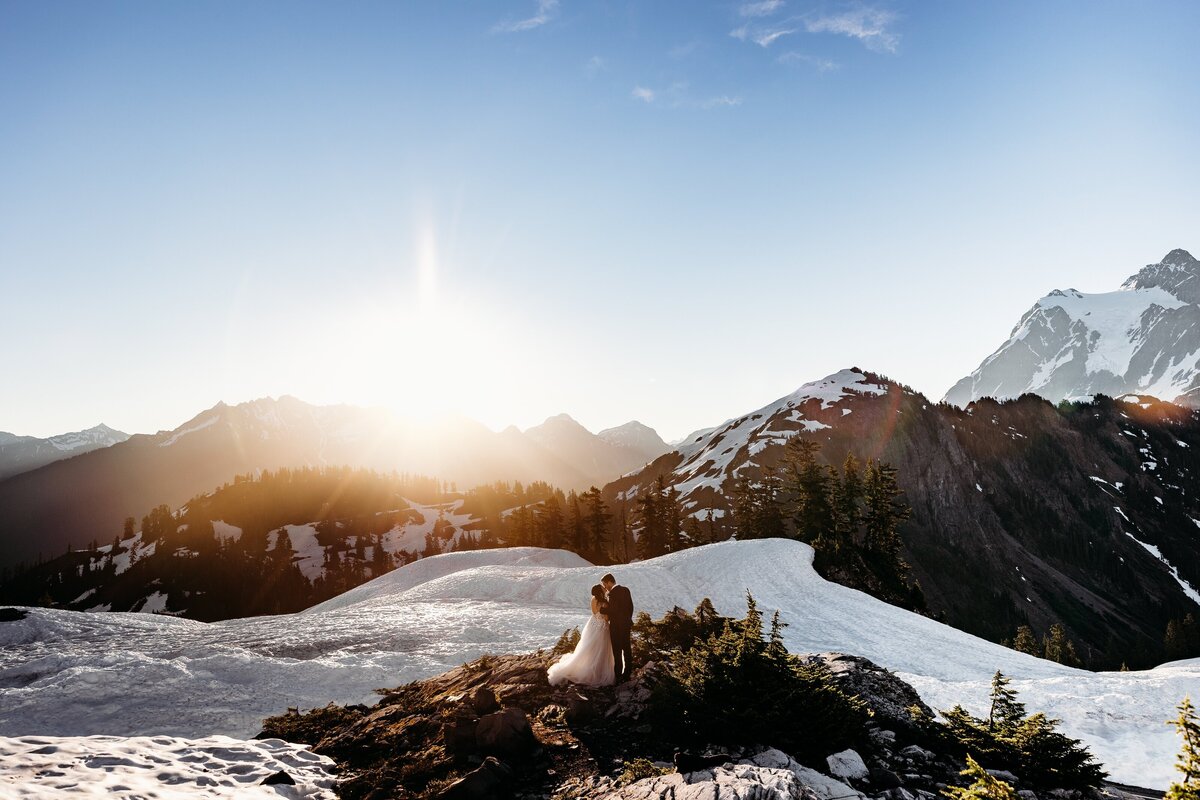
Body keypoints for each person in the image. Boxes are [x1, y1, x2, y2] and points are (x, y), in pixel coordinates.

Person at [547, 584, 615, 687]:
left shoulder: (593, 600)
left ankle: (587, 666)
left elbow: (594, 613)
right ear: (600, 591)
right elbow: (606, 618)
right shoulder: (604, 602)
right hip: (602, 626)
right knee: (601, 648)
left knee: (589, 647)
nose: (605, 588)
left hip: (592, 624)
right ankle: (598, 671)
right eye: (603, 588)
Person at [602, 573, 634, 683]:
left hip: (616, 626)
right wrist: (627, 619)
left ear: (610, 582)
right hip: (626, 624)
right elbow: (631, 607)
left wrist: (602, 610)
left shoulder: (612, 593)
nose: (605, 587)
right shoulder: (626, 590)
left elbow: (613, 610)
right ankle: (628, 673)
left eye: (605, 584)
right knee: (627, 649)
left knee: (617, 651)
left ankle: (618, 675)